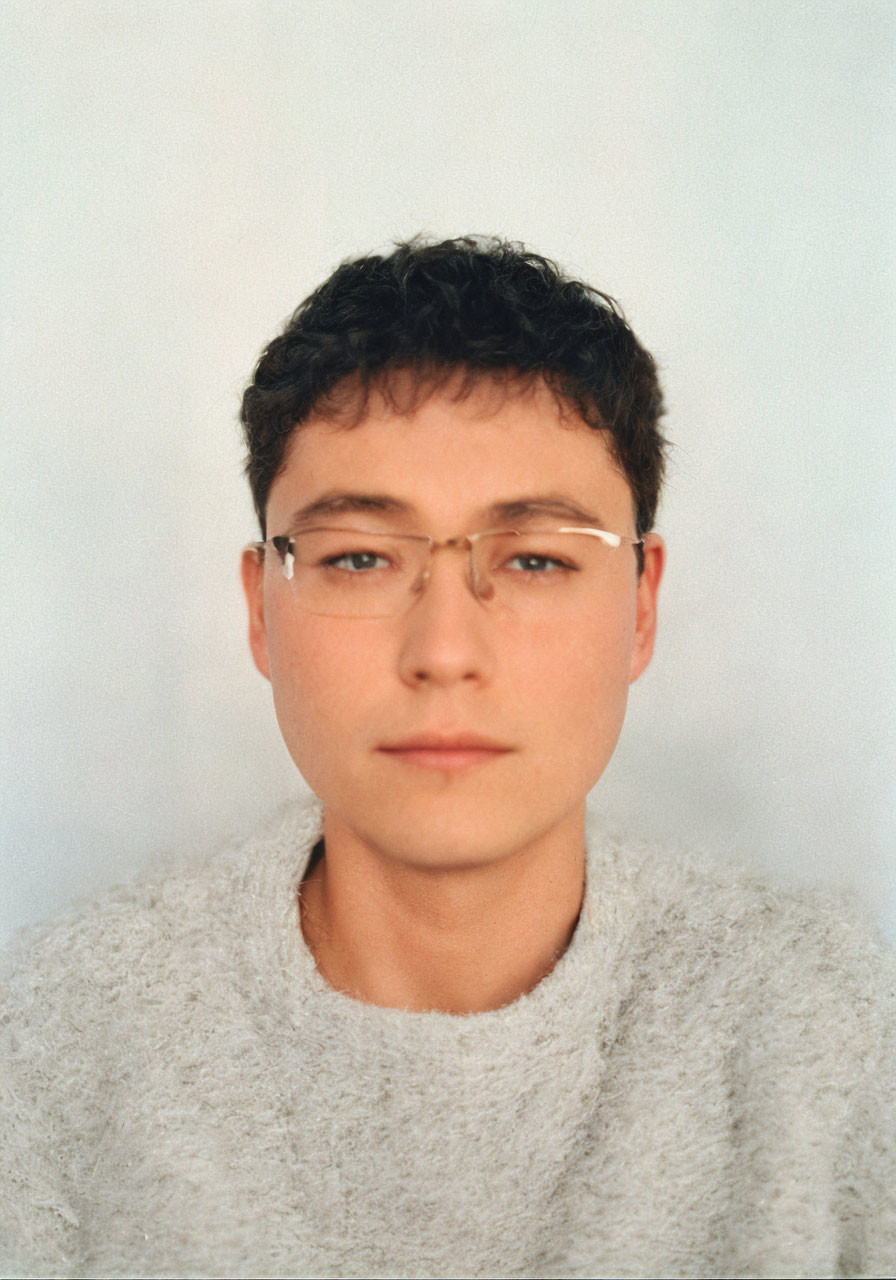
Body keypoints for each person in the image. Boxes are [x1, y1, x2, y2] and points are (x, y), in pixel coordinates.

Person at [1, 237, 892, 1279]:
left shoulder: (826, 1027)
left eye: (533, 558)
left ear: (640, 606)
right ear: (258, 607)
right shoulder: (54, 1044)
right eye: (360, 558)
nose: (443, 653)